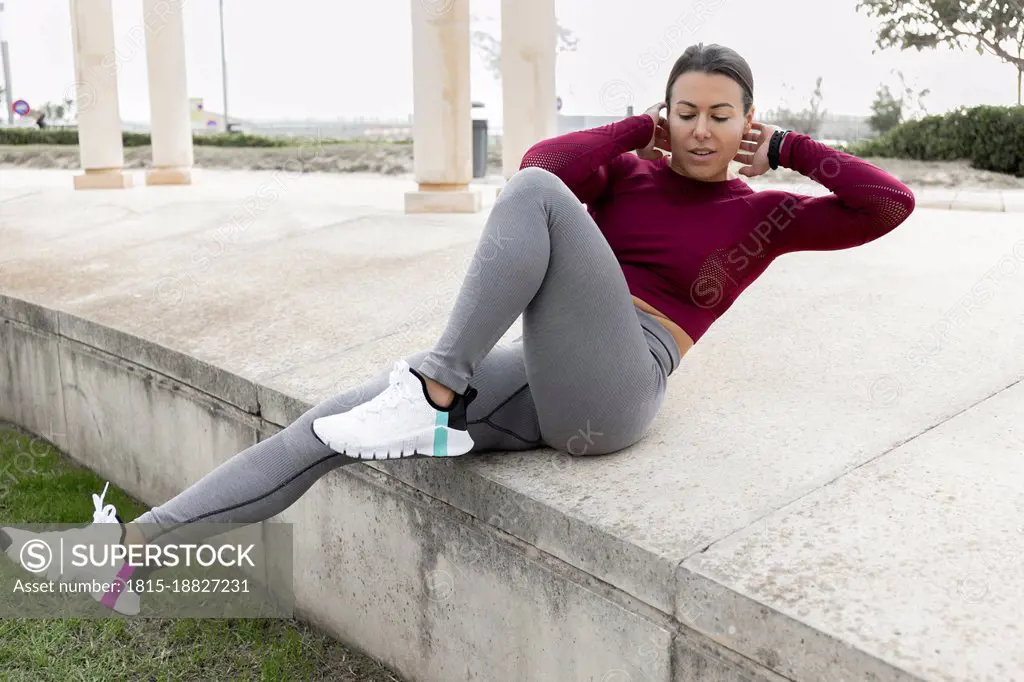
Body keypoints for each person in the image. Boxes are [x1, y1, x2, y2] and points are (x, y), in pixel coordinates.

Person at [1, 43, 915, 615]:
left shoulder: (765, 215)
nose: (702, 131)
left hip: (621, 385)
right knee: (325, 428)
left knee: (536, 203)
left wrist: (794, 152)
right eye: (685, 113)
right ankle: (129, 554)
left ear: (748, 123)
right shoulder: (630, 174)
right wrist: (635, 128)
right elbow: (541, 163)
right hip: (541, 375)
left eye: (723, 116)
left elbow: (888, 204)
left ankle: (433, 384)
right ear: (665, 117)